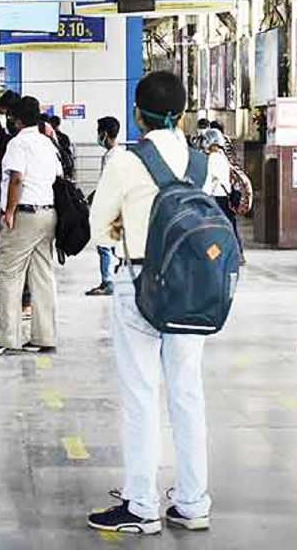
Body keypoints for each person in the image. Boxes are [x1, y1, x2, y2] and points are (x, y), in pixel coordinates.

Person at [87, 72, 212, 534]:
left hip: (139, 282)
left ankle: (141, 505)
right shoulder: (203, 162)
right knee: (187, 393)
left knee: (141, 394)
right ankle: (193, 503)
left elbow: (99, 227)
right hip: (194, 289)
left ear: (137, 114)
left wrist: (121, 231)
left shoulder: (124, 160)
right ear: (181, 114)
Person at [0, 97, 62, 355]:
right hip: (48, 213)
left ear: (17, 119)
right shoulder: (47, 142)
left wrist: (10, 211)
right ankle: (44, 336)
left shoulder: (18, 143)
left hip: (25, 215)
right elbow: (58, 175)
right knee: (42, 275)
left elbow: (16, 179)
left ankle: (7, 336)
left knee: (9, 273)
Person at [86, 116, 121, 297]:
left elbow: (106, 185)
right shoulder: (121, 154)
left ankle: (108, 281)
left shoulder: (111, 157)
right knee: (115, 245)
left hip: (110, 208)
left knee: (105, 245)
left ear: (105, 134)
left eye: (99, 132)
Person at [201, 129, 238, 239]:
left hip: (216, 199)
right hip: (225, 197)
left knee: (215, 232)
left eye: (206, 140)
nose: (204, 143)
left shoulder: (213, 158)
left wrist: (203, 196)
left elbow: (211, 180)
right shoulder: (222, 156)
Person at [49, 115, 77, 180]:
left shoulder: (50, 137)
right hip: (65, 165)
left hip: (55, 166)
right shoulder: (64, 137)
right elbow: (68, 151)